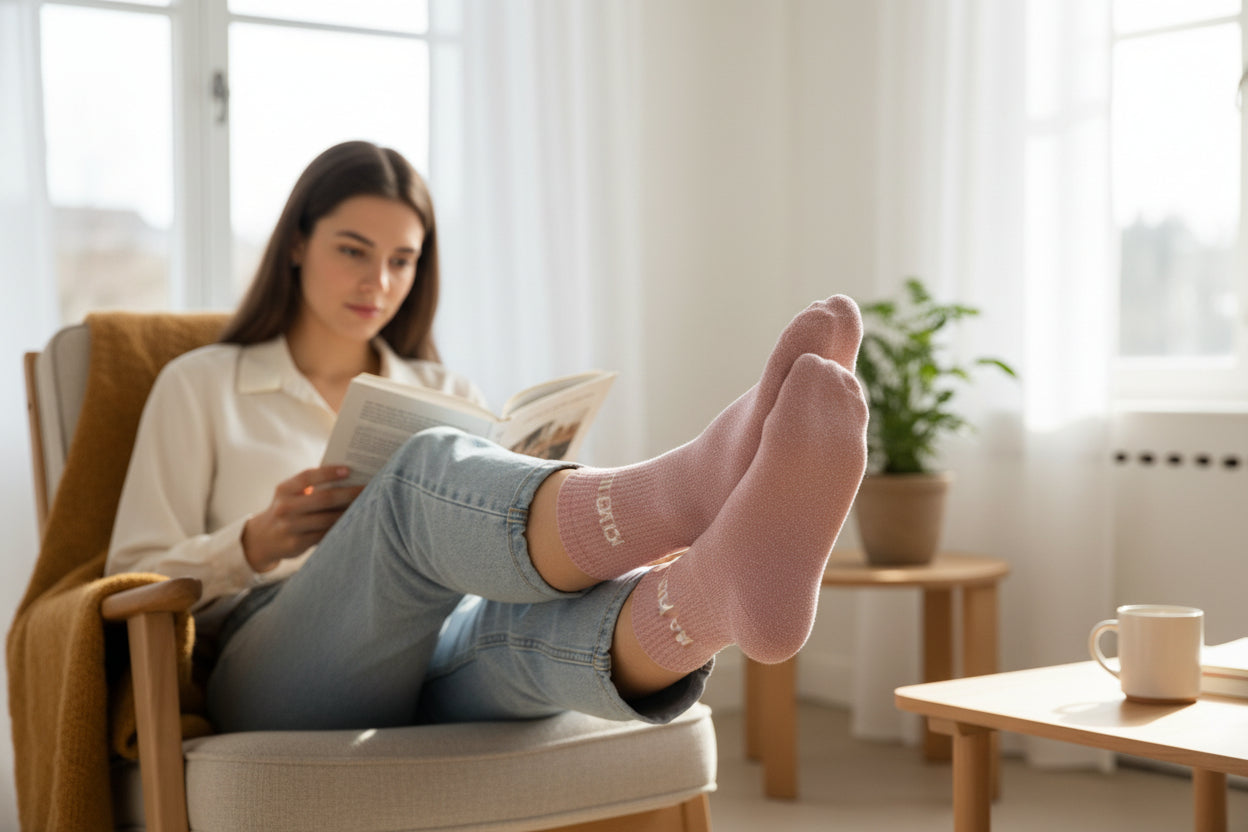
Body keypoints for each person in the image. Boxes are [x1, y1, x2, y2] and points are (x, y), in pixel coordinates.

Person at [106, 140, 869, 732]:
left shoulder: (446, 392)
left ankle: (709, 601)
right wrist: (252, 543)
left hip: (446, 644)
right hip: (270, 663)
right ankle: (687, 488)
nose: (379, 281)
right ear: (297, 244)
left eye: (402, 260)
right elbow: (125, 576)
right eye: (352, 250)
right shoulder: (203, 383)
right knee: (420, 477)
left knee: (517, 636)